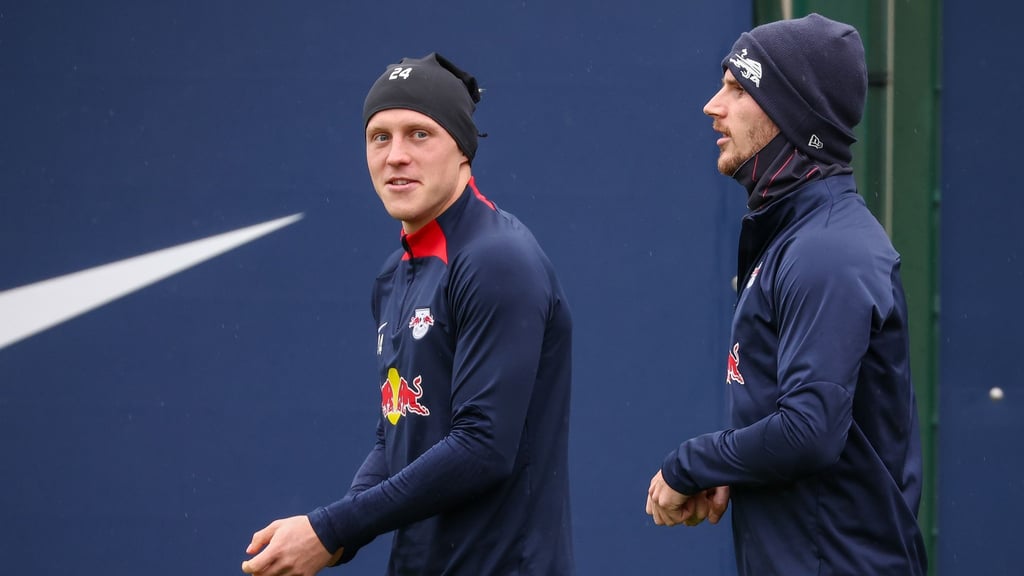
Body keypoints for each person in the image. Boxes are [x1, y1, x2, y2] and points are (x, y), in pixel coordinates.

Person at [241, 53, 575, 575]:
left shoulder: (496, 259)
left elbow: (482, 447)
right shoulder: (394, 275)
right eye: (380, 137)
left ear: (462, 149)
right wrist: (334, 536)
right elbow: (396, 433)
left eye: (420, 134)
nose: (396, 156)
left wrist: (333, 528)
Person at [645, 13, 928, 575]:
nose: (713, 106)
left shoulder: (826, 251)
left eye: (737, 88)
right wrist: (735, 465)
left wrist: (692, 463)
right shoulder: (800, 238)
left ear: (791, 114)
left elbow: (809, 432)